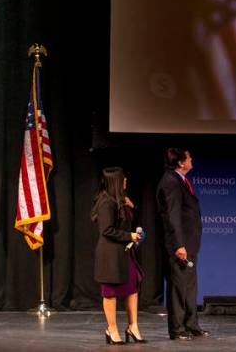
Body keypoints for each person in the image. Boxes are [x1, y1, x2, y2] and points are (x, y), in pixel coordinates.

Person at [156, 148, 208, 340]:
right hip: (180, 245)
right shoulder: (170, 181)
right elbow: (173, 215)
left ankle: (191, 325)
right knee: (179, 287)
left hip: (190, 243)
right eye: (189, 157)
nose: (191, 159)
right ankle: (177, 329)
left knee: (189, 286)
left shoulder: (180, 180)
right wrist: (178, 244)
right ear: (180, 162)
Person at [92, 166, 146, 345]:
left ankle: (133, 326)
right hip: (110, 255)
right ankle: (112, 329)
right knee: (110, 293)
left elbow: (125, 221)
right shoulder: (106, 202)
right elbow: (106, 230)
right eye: (123, 178)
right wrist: (128, 236)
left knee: (132, 289)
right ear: (116, 181)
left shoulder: (121, 200)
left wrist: (133, 207)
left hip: (124, 252)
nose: (126, 180)